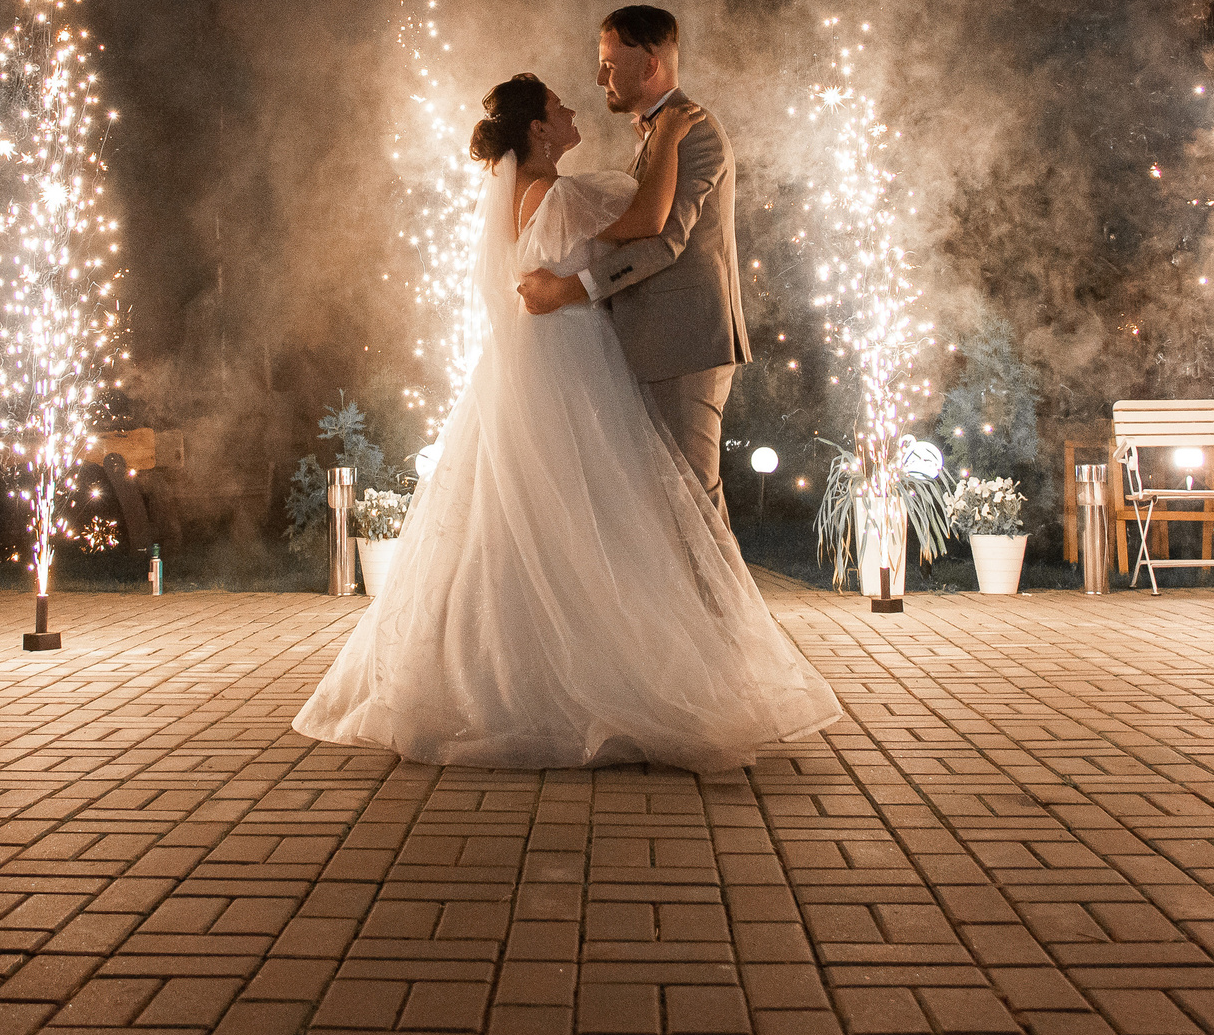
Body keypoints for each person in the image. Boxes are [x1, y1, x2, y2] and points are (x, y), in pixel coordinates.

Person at [292, 71, 838, 772]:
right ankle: (593, 675)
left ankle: (496, 674)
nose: (574, 106)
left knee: (529, 513)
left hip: (531, 360)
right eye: (558, 107)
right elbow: (648, 221)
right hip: (574, 359)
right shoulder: (555, 195)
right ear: (540, 131)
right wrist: (670, 132)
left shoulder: (526, 196)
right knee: (598, 507)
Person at [518, 6, 746, 529]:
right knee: (668, 512)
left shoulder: (696, 133)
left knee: (694, 508)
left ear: (648, 65)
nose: (599, 78)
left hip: (685, 346)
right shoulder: (657, 132)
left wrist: (568, 289)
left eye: (608, 64)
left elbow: (663, 246)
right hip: (653, 346)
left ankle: (728, 615)